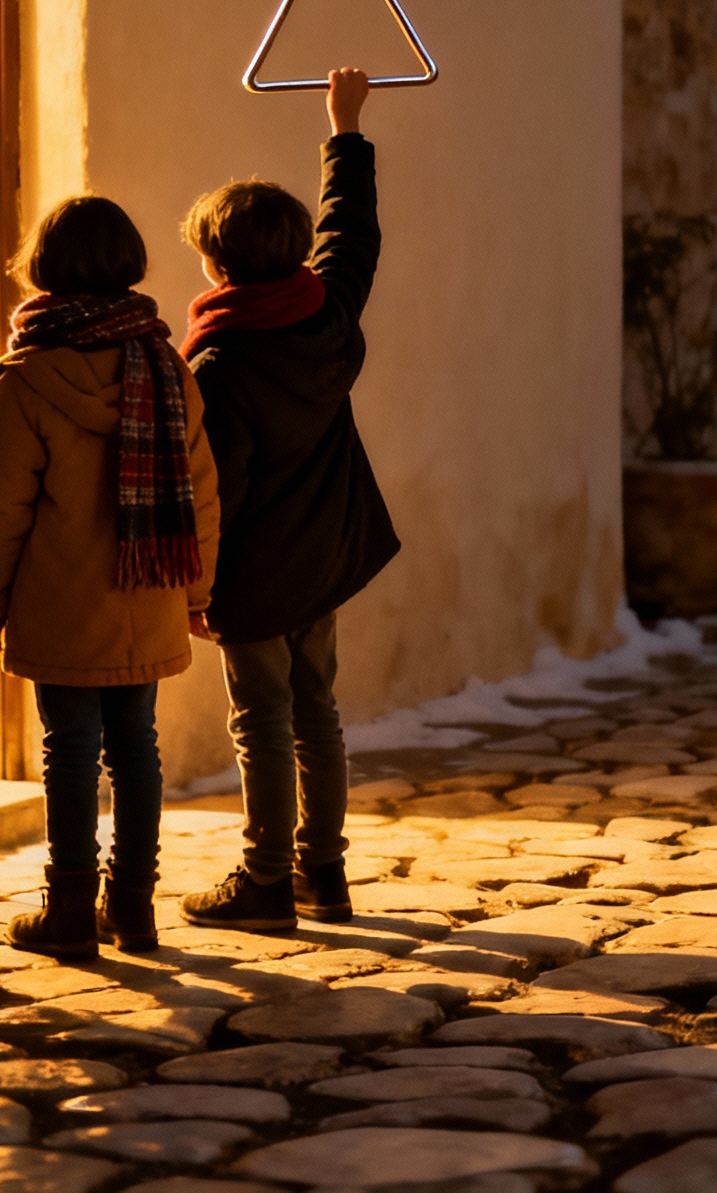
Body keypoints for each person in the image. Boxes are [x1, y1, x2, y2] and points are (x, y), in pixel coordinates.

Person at [0, 197, 221, 959]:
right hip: (148, 594)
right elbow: (202, 490)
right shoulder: (167, 366)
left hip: (59, 601)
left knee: (68, 751)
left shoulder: (31, 376)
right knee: (136, 746)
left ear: (45, 268)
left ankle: (70, 909)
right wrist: (197, 592)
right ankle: (134, 908)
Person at [177, 68, 399, 931]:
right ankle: (325, 876)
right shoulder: (329, 311)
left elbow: (215, 492)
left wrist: (197, 587)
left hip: (256, 572)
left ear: (214, 262)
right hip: (325, 556)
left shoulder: (219, 364)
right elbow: (355, 229)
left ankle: (267, 880)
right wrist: (344, 127)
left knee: (260, 719)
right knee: (318, 712)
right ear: (297, 253)